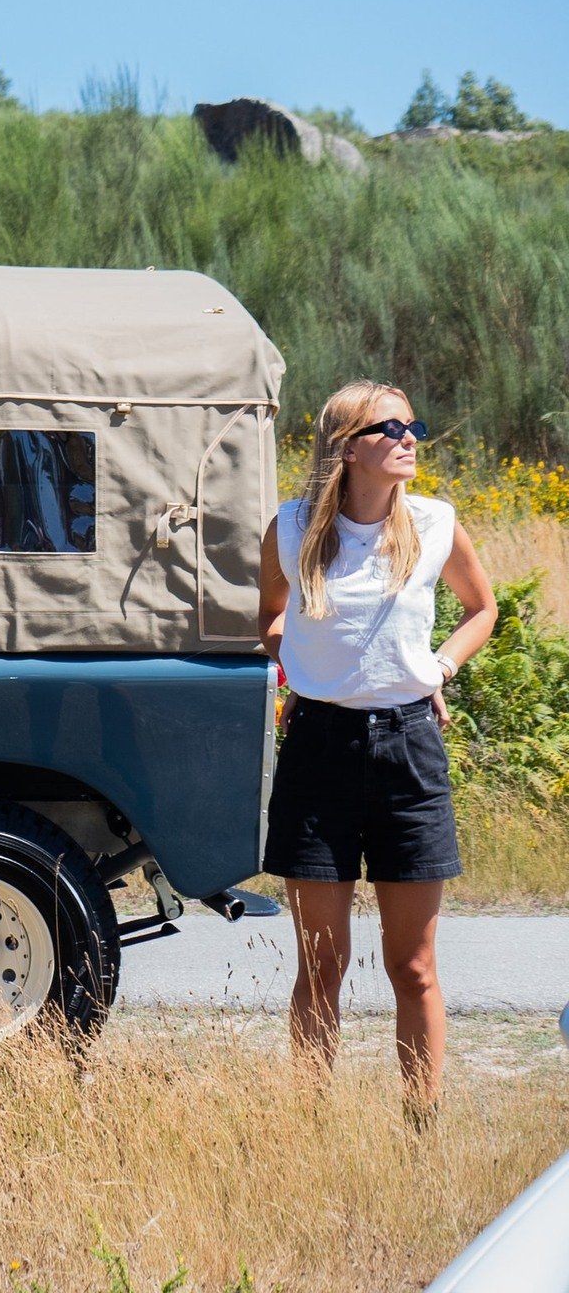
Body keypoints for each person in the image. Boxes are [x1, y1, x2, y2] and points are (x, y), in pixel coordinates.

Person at [257, 380, 497, 1118]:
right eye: (388, 428)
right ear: (345, 447)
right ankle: (308, 1127)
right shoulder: (293, 529)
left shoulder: (433, 523)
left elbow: (482, 608)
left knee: (413, 968)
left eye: (412, 424)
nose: (408, 437)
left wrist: (442, 669)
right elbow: (270, 617)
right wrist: (302, 669)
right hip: (319, 751)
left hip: (410, 752)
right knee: (320, 967)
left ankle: (420, 1127)